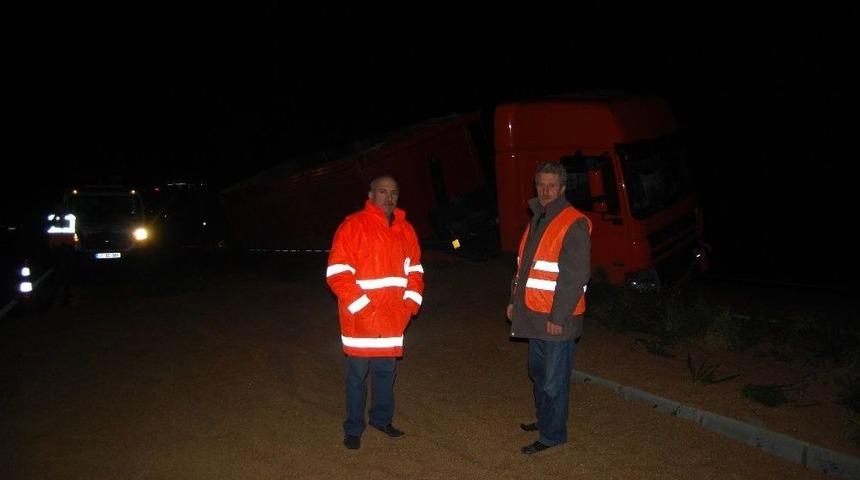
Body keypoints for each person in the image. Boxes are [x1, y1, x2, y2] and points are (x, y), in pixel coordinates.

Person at [326, 175, 424, 450]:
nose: (388, 197)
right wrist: (364, 309)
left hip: (393, 320)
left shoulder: (406, 229)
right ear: (370, 195)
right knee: (357, 378)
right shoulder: (353, 226)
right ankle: (354, 428)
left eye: (393, 192)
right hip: (362, 323)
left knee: (385, 374)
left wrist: (410, 306)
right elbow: (337, 274)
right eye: (382, 191)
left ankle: (381, 420)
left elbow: (415, 270)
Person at [506, 161, 591, 455]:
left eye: (551, 185)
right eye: (541, 184)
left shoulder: (572, 222)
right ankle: (545, 421)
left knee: (554, 381)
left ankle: (553, 434)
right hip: (533, 314)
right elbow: (526, 268)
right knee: (538, 373)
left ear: (563, 188)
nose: (545, 189)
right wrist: (514, 303)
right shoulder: (539, 217)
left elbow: (575, 275)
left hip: (556, 320)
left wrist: (559, 317)